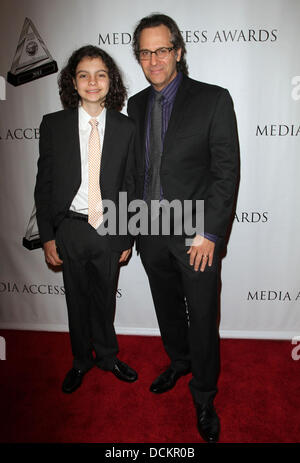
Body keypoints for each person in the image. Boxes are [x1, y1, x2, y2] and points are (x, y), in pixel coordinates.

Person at [128, 14, 239, 442]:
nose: (154, 59)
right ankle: (178, 361)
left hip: (195, 235)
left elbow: (226, 172)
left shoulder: (213, 99)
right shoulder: (135, 104)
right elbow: (133, 171)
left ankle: (204, 394)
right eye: (145, 51)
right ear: (138, 56)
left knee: (203, 314)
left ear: (178, 51)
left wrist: (210, 233)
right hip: (148, 230)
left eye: (161, 49)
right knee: (167, 306)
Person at [35, 45, 137, 394]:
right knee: (76, 300)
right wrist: (47, 236)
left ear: (111, 81)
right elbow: (44, 185)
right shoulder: (53, 125)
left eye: (101, 74)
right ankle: (81, 361)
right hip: (71, 229)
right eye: (84, 74)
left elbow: (130, 186)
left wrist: (126, 236)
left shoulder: (127, 128)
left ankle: (107, 356)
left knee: (104, 299)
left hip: (110, 229)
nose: (92, 82)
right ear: (73, 82)